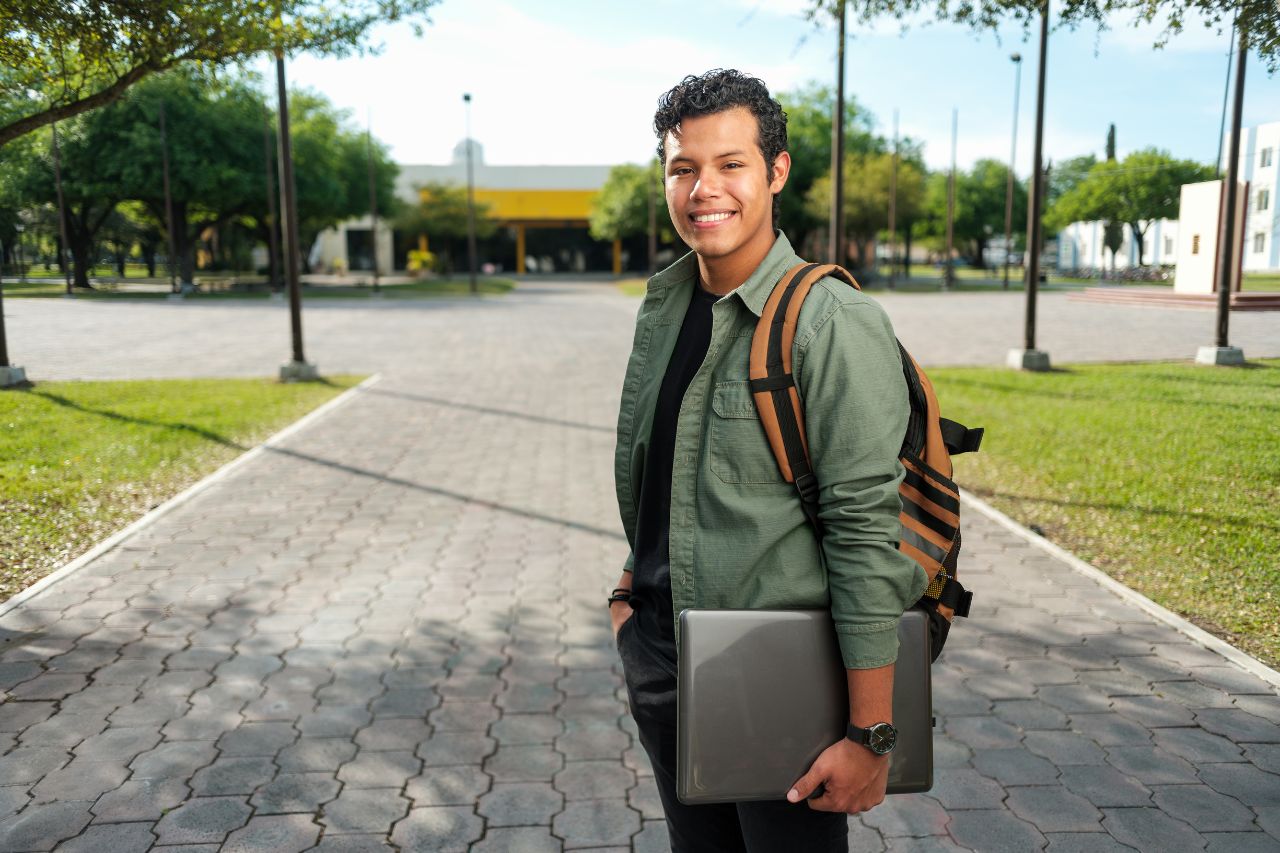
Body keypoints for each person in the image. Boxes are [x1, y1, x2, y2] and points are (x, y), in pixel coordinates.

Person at [609, 69, 927, 852]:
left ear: (776, 172)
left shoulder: (831, 321)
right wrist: (630, 592)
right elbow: (664, 475)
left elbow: (863, 534)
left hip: (781, 685)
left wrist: (873, 733)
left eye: (730, 164)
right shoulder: (670, 304)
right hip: (666, 658)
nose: (702, 189)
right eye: (683, 168)